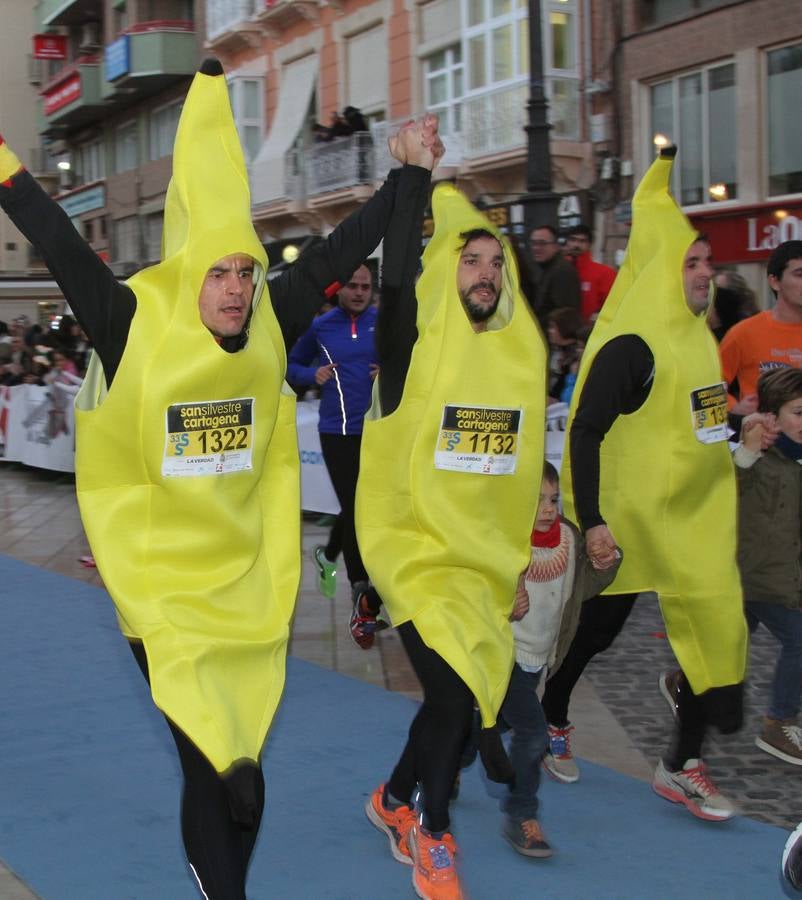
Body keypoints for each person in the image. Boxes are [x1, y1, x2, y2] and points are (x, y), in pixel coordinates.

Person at [0, 61, 439, 898]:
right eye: (219, 273)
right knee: (212, 769)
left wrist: (407, 172)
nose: (234, 289)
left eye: (245, 272)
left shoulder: (270, 314)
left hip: (245, 585)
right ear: (193, 272)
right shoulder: (132, 322)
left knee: (247, 789)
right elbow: (59, 240)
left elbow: (341, 245)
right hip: (162, 595)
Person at [539, 146, 747, 823]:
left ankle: (680, 763)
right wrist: (593, 519)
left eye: (706, 263)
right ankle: (553, 708)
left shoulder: (699, 341)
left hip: (694, 528)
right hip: (626, 528)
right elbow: (586, 432)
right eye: (691, 264)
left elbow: (700, 427)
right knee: (596, 634)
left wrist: (747, 434)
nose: (705, 275)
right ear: (659, 271)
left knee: (715, 636)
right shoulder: (632, 345)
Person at [357, 186, 546, 900]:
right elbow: (399, 278)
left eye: (496, 262)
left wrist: (514, 563)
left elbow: (513, 477)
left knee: (452, 701)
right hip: (411, 553)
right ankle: (432, 831)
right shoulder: (410, 348)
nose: (486, 275)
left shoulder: (512, 364)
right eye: (470, 261)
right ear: (445, 267)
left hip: (477, 567)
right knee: (455, 694)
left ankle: (392, 796)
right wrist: (413, 177)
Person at [494, 461, 619, 859]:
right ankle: (522, 815)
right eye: (537, 500)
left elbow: (578, 588)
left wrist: (605, 563)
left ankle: (444, 767)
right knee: (532, 733)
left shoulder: (568, 535)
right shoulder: (504, 539)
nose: (548, 508)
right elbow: (476, 587)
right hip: (504, 655)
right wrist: (503, 599)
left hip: (539, 658)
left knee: (490, 724)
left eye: (553, 499)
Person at [718, 367, 802, 765]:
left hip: (781, 577)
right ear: (771, 416)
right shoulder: (753, 456)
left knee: (730, 648)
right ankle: (778, 722)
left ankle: (685, 681)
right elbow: (725, 485)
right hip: (755, 577)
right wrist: (748, 448)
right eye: (798, 412)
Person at [286, 264, 378, 610]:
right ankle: (359, 584)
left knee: (360, 503)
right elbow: (291, 365)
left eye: (365, 286)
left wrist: (388, 371)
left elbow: (407, 364)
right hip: (336, 430)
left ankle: (329, 555)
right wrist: (313, 373)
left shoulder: (381, 324)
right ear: (339, 289)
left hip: (374, 429)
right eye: (352, 285)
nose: (358, 292)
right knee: (356, 505)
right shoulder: (321, 328)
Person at [719, 241, 802, 416]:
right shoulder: (743, 333)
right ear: (774, 281)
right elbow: (710, 385)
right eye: (799, 274)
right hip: (763, 438)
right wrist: (734, 408)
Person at [562, 223, 616, 323]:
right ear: (567, 242)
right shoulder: (560, 271)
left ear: (589, 245)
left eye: (582, 241)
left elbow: (613, 305)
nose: (576, 245)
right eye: (573, 240)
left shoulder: (605, 273)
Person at [526, 224, 581, 321]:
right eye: (534, 243)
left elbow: (565, 315)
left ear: (556, 246)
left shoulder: (562, 271)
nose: (536, 248)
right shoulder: (545, 269)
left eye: (542, 243)